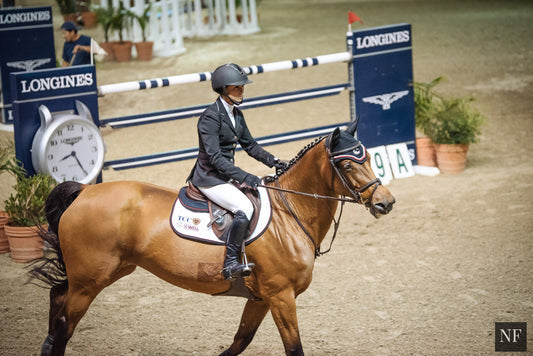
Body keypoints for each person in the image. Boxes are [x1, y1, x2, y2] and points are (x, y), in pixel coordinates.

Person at [187, 63, 286, 281]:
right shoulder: (210, 117)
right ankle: (230, 263)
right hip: (209, 178)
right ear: (223, 89)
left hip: (224, 176)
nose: (242, 91)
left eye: (242, 87)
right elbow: (214, 158)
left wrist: (275, 161)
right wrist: (245, 177)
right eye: (236, 87)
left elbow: (250, 146)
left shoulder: (237, 115)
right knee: (245, 207)